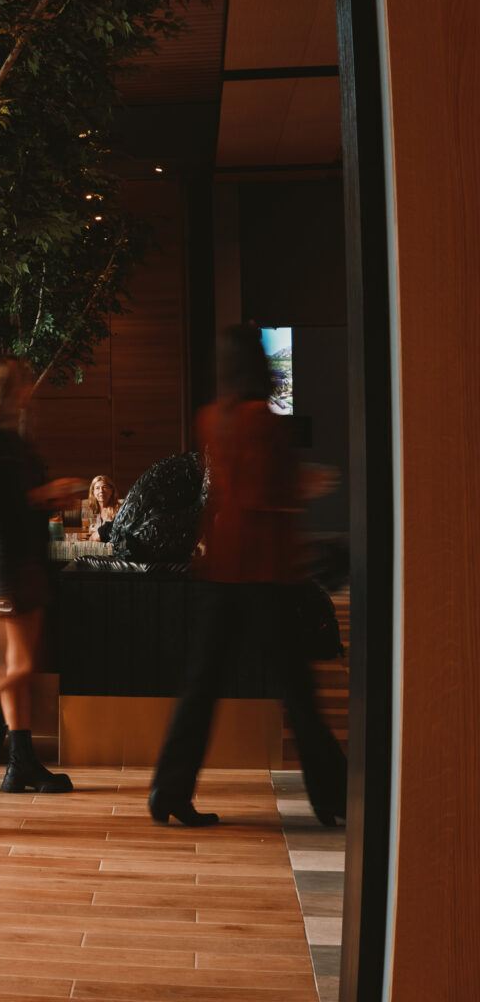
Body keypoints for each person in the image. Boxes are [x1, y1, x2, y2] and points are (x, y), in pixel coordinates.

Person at [149, 327, 345, 828]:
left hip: (220, 567)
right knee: (298, 692)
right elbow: (266, 495)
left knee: (200, 688)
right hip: (264, 573)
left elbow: (232, 492)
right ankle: (335, 797)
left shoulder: (211, 418)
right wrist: (306, 485)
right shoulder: (265, 421)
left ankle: (169, 790)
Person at [0, 359, 86, 793]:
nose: (31, 390)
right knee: (19, 668)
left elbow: (8, 505)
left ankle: (20, 763)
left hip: (11, 568)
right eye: (24, 385)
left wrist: (44, 496)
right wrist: (48, 493)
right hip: (9, 571)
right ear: (9, 394)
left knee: (15, 667)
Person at [82, 474, 119, 540]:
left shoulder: (118, 509)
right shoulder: (91, 509)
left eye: (104, 487)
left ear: (111, 490)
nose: (101, 491)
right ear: (93, 492)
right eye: (97, 488)